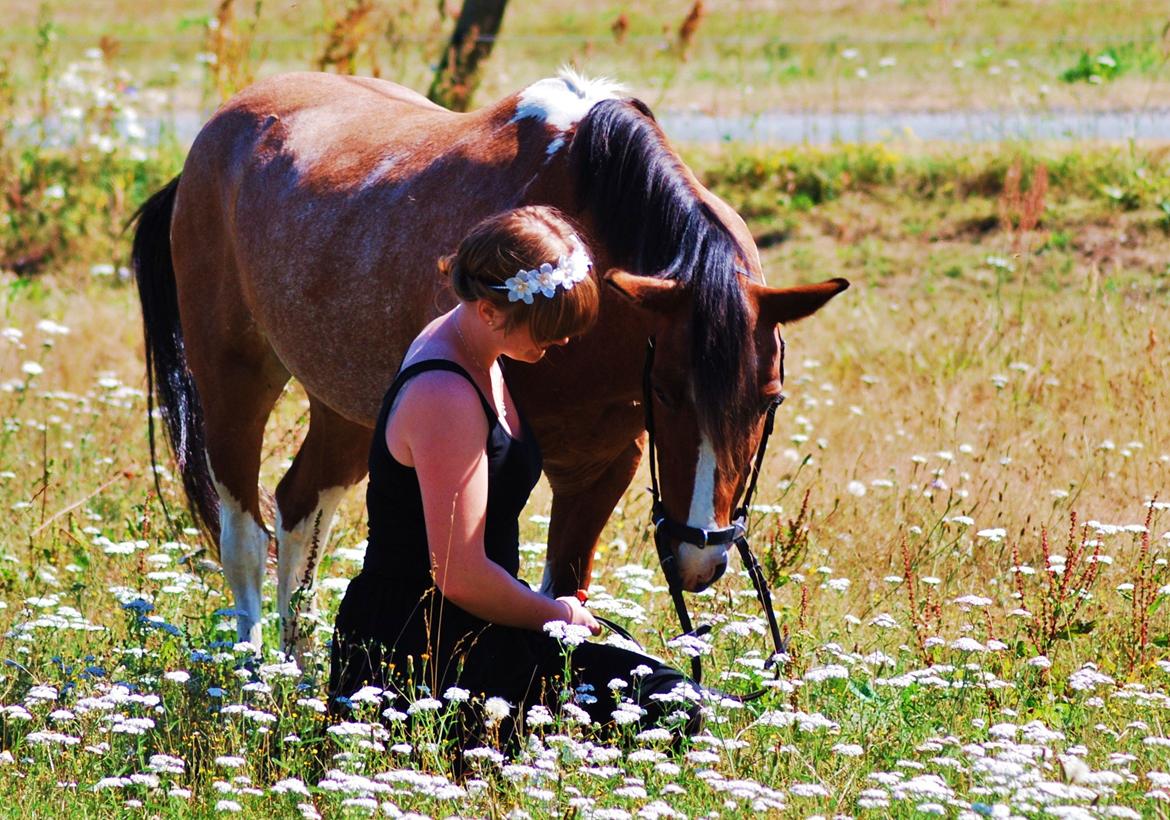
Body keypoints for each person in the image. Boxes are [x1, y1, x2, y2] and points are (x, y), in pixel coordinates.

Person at [328, 205, 701, 753]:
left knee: (665, 695)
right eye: (548, 332)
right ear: (490, 310)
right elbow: (459, 574)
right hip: (424, 650)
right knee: (668, 708)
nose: (561, 345)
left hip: (480, 623)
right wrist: (557, 613)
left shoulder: (475, 345)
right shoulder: (446, 395)